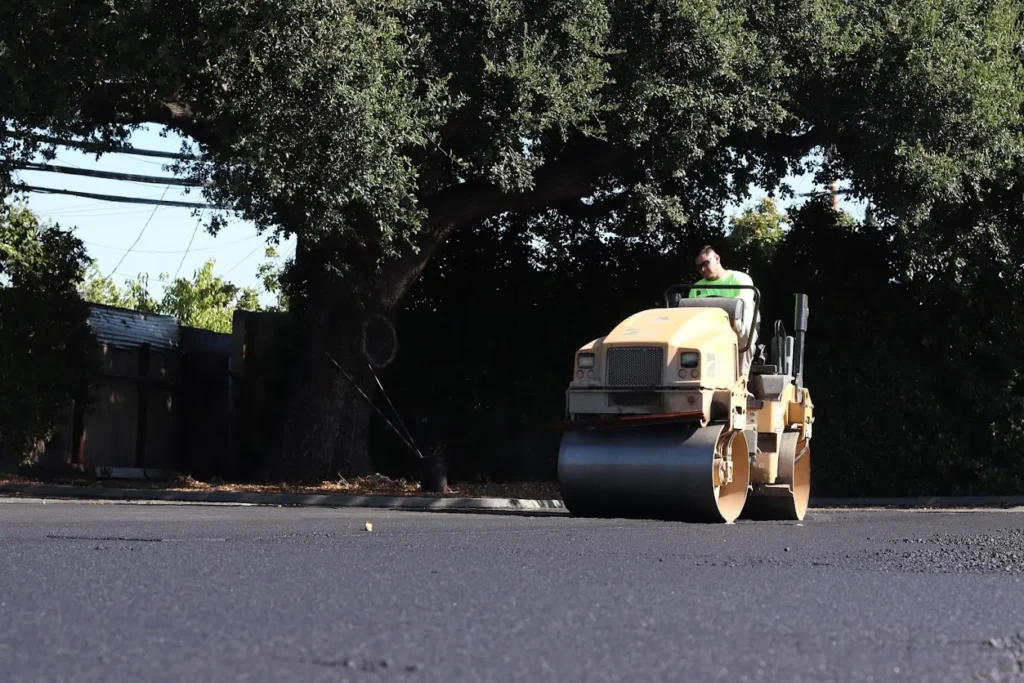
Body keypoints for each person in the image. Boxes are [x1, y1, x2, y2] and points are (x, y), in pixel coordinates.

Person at [688, 246, 757, 378]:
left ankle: (742, 380)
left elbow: (741, 306)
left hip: (735, 327)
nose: (702, 269)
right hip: (707, 329)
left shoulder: (740, 279)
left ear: (717, 258)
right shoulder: (696, 288)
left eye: (705, 264)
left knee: (747, 330)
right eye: (699, 267)